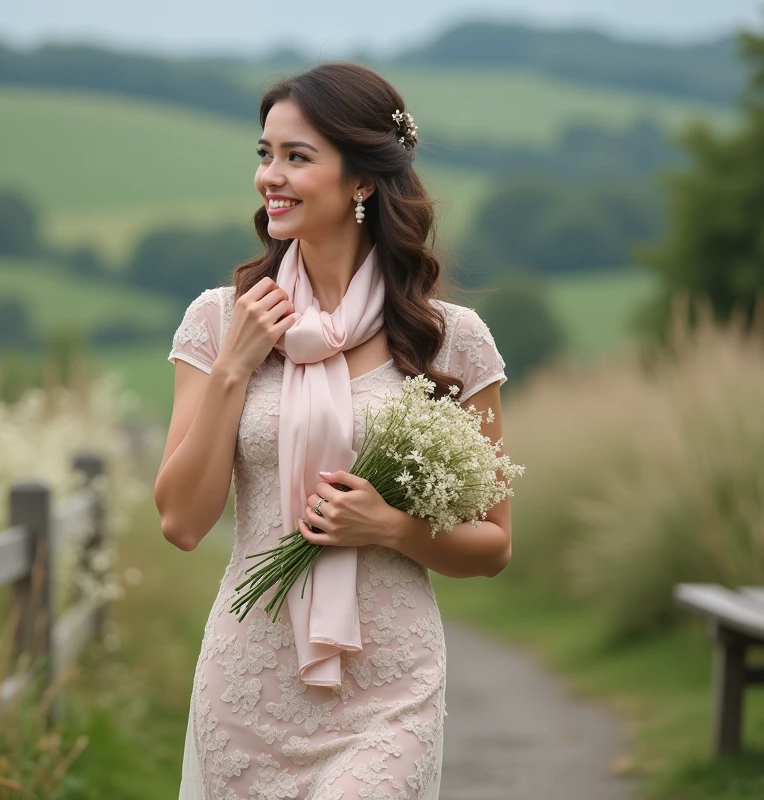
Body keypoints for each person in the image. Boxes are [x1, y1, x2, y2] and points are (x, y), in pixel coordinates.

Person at [155, 61, 512, 800]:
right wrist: (233, 368)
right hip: (250, 679)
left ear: (362, 182)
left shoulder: (452, 341)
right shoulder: (220, 320)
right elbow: (182, 522)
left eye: (296, 156)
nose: (270, 177)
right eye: (265, 154)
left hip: (388, 689)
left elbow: (493, 545)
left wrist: (389, 527)